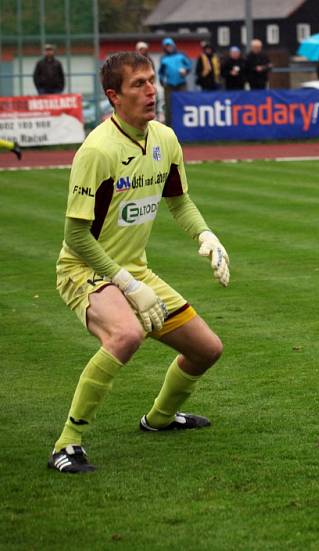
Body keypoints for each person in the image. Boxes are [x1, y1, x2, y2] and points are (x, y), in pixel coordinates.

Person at [48, 51, 229, 474]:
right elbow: (75, 237)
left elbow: (179, 202)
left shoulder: (165, 139)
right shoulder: (97, 151)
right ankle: (67, 442)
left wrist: (206, 235)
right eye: (139, 84)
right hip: (84, 269)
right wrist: (127, 285)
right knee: (126, 335)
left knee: (207, 350)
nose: (152, 90)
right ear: (114, 96)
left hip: (134, 270)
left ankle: (160, 419)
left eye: (152, 81)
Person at [157, 37, 192, 125]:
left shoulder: (181, 55)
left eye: (170, 45)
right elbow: (161, 72)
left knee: (184, 102)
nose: (169, 47)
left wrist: (186, 71)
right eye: (166, 46)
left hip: (181, 83)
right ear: (164, 48)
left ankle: (184, 123)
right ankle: (169, 125)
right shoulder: (163, 58)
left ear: (173, 45)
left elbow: (189, 65)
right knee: (169, 106)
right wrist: (161, 80)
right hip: (169, 84)